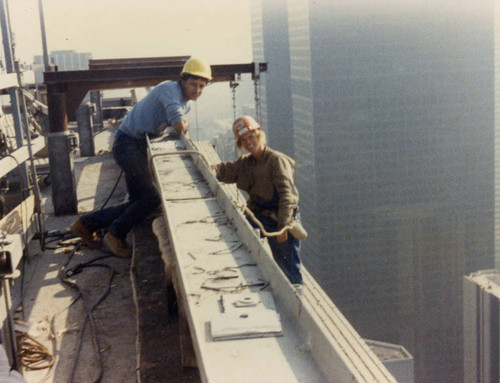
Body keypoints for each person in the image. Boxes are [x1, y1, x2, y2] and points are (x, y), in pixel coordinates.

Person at [69, 58, 212, 257]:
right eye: (193, 84)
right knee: (151, 199)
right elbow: (179, 125)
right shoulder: (170, 90)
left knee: (138, 201)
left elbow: (178, 121)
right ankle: (115, 234)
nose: (197, 90)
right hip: (128, 144)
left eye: (201, 86)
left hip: (134, 145)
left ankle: (85, 224)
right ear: (182, 81)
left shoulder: (183, 103)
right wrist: (183, 125)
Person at [213, 116, 304, 285]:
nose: (249, 142)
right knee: (239, 240)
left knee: (288, 267)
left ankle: (297, 297)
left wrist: (283, 225)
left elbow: (288, 196)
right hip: (259, 215)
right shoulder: (246, 163)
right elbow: (225, 171)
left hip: (280, 218)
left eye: (251, 137)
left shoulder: (276, 160)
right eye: (244, 140)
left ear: (259, 135)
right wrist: (206, 167)